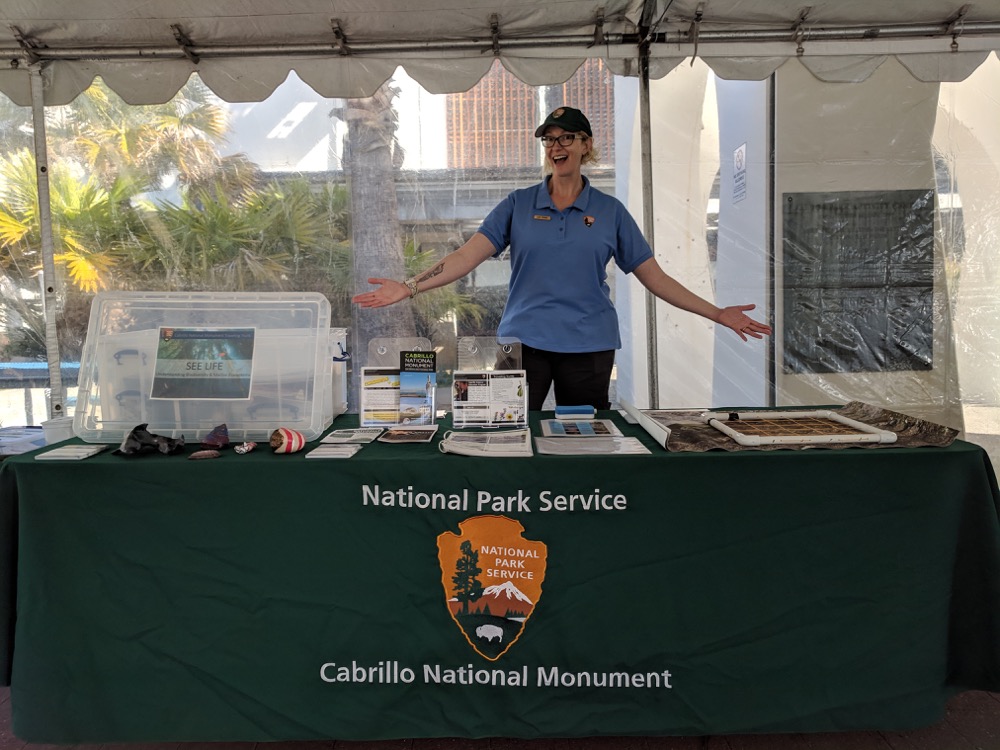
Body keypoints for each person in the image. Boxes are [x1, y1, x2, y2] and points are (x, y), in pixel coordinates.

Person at [352, 106, 771, 410]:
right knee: (507, 428)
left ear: (586, 145)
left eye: (566, 137)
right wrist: (409, 287)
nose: (556, 146)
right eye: (550, 139)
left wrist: (717, 314)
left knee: (584, 442)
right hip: (523, 343)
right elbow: (466, 256)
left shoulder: (610, 212)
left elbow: (655, 277)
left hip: (589, 347)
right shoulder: (517, 205)